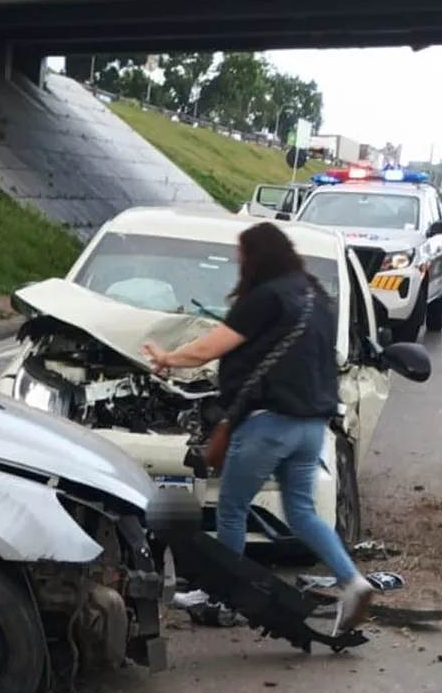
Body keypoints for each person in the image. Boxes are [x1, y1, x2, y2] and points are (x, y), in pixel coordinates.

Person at [140, 221, 375, 635]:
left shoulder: (266, 296)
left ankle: (222, 595)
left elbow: (208, 349)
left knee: (231, 507)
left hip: (268, 424)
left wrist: (167, 358)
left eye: (242, 255)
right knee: (301, 511)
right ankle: (353, 582)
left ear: (258, 256)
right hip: (311, 427)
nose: (239, 262)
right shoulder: (315, 297)